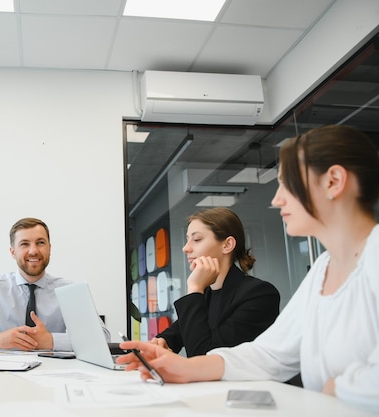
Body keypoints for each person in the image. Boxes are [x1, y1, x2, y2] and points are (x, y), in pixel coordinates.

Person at [117, 124, 379, 412]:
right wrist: (184, 368)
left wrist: (339, 389)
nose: (277, 199)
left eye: (287, 184)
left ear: (333, 181)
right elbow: (271, 354)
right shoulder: (323, 268)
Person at [0, 217, 110, 351]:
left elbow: (102, 339)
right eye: (24, 244)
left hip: (55, 377)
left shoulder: (70, 290)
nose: (33, 250)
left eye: (40, 243)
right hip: (1, 377)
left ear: (49, 248)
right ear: (13, 252)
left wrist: (51, 340)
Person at [151, 207, 280, 357]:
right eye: (187, 239)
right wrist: (162, 343)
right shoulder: (206, 295)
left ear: (227, 245)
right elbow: (174, 335)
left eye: (197, 239)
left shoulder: (259, 294)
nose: (186, 248)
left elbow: (203, 357)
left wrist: (195, 287)